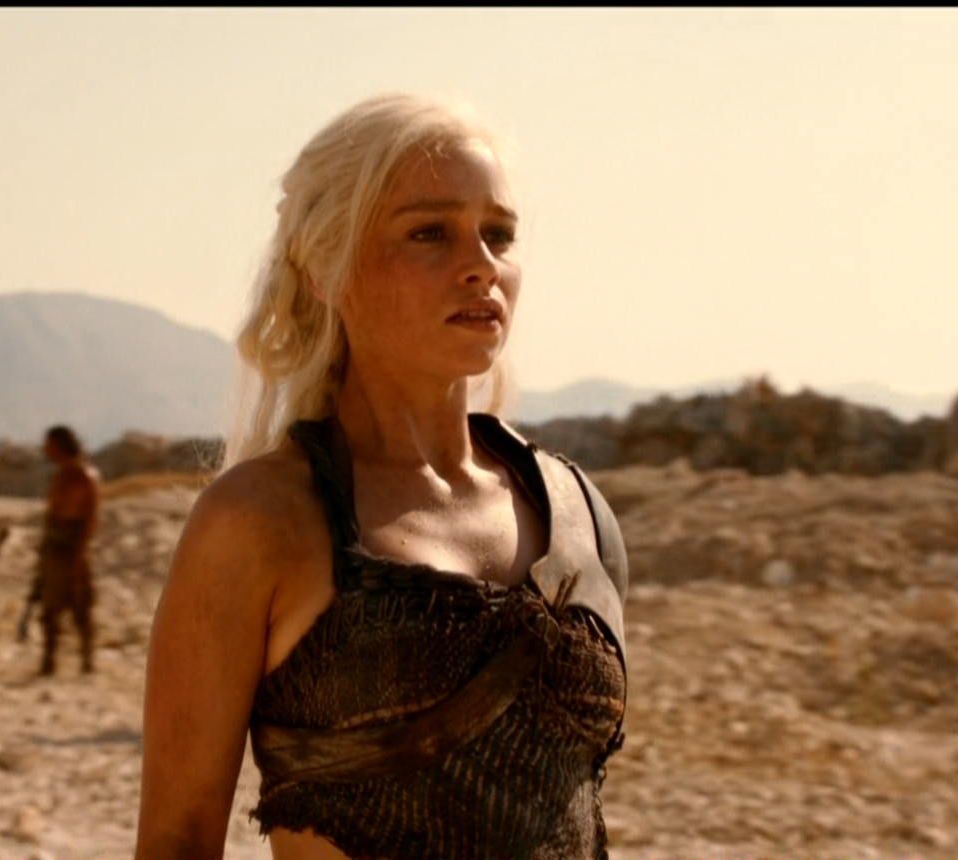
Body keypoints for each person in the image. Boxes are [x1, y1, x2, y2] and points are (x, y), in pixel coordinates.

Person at [135, 94, 630, 860]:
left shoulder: (575, 513)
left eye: (498, 235)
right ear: (324, 268)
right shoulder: (261, 521)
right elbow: (177, 841)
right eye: (429, 232)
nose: (481, 265)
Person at [28, 425, 100, 677]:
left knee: (80, 605)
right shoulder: (60, 474)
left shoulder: (84, 475)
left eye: (49, 444)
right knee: (50, 605)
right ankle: (49, 660)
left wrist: (80, 554)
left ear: (59, 445)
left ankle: (87, 660)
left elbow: (90, 517)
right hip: (54, 544)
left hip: (72, 544)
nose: (45, 449)